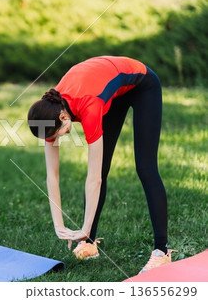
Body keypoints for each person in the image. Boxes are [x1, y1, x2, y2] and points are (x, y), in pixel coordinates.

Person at [27, 56, 172, 273]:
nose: (60, 138)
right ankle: (88, 242)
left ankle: (162, 251)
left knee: (145, 167)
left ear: (64, 117)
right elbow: (52, 175)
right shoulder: (48, 113)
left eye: (59, 134)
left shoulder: (89, 106)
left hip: (142, 85)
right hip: (112, 93)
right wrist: (59, 225)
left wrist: (82, 227)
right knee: (102, 165)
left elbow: (94, 179)